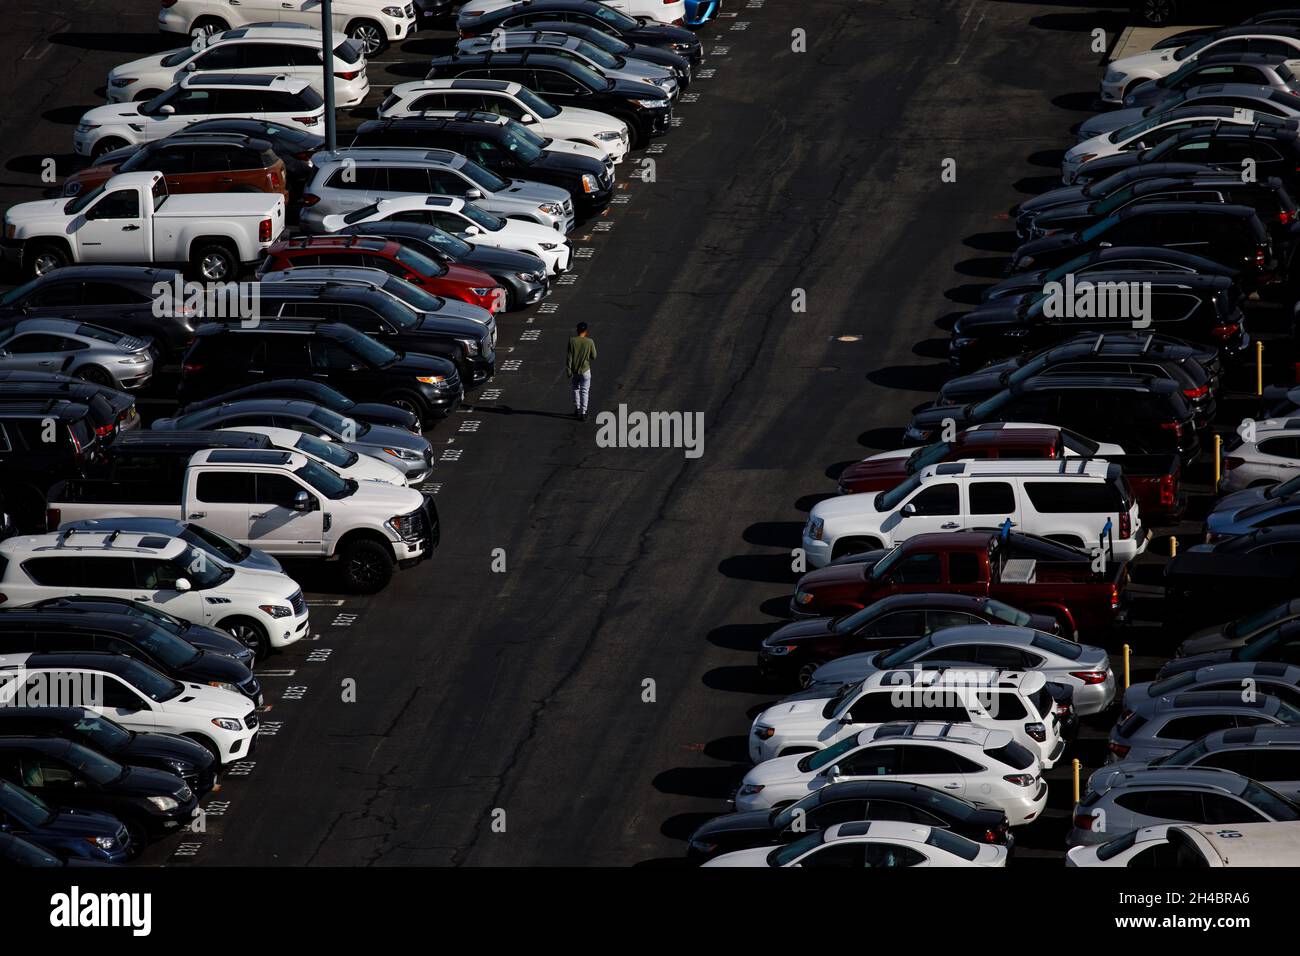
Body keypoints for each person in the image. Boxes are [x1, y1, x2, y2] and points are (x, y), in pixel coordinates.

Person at [565, 322, 597, 421]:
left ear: (577, 330)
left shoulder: (572, 341)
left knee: (575, 389)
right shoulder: (590, 341)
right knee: (584, 391)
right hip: (585, 370)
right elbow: (594, 356)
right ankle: (583, 412)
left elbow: (569, 357)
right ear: (586, 331)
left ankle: (577, 409)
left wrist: (568, 369)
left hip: (575, 371)